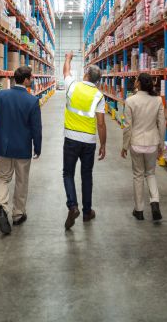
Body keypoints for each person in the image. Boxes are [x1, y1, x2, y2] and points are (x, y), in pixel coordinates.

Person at [0, 66, 42, 235]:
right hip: (22, 148)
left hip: (3, 147)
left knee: (2, 178)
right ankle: (18, 215)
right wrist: (37, 147)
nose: (31, 80)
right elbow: (36, 128)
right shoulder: (32, 101)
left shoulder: (1, 96)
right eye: (30, 78)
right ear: (25, 80)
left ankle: (2, 207)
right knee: (21, 181)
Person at [62, 51, 106, 230]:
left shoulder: (72, 86)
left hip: (71, 139)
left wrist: (68, 58)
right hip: (89, 141)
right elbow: (101, 124)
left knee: (68, 174)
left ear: (86, 75)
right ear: (97, 80)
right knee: (86, 176)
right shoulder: (99, 96)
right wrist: (103, 144)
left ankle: (73, 206)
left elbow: (66, 72)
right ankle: (87, 212)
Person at [121, 73, 166, 221]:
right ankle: (154, 202)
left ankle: (139, 210)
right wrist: (161, 145)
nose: (134, 81)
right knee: (151, 173)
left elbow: (128, 127)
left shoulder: (130, 101)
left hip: (136, 143)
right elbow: (162, 124)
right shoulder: (158, 100)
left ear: (139, 83)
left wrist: (124, 146)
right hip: (152, 143)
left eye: (136, 80)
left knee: (138, 176)